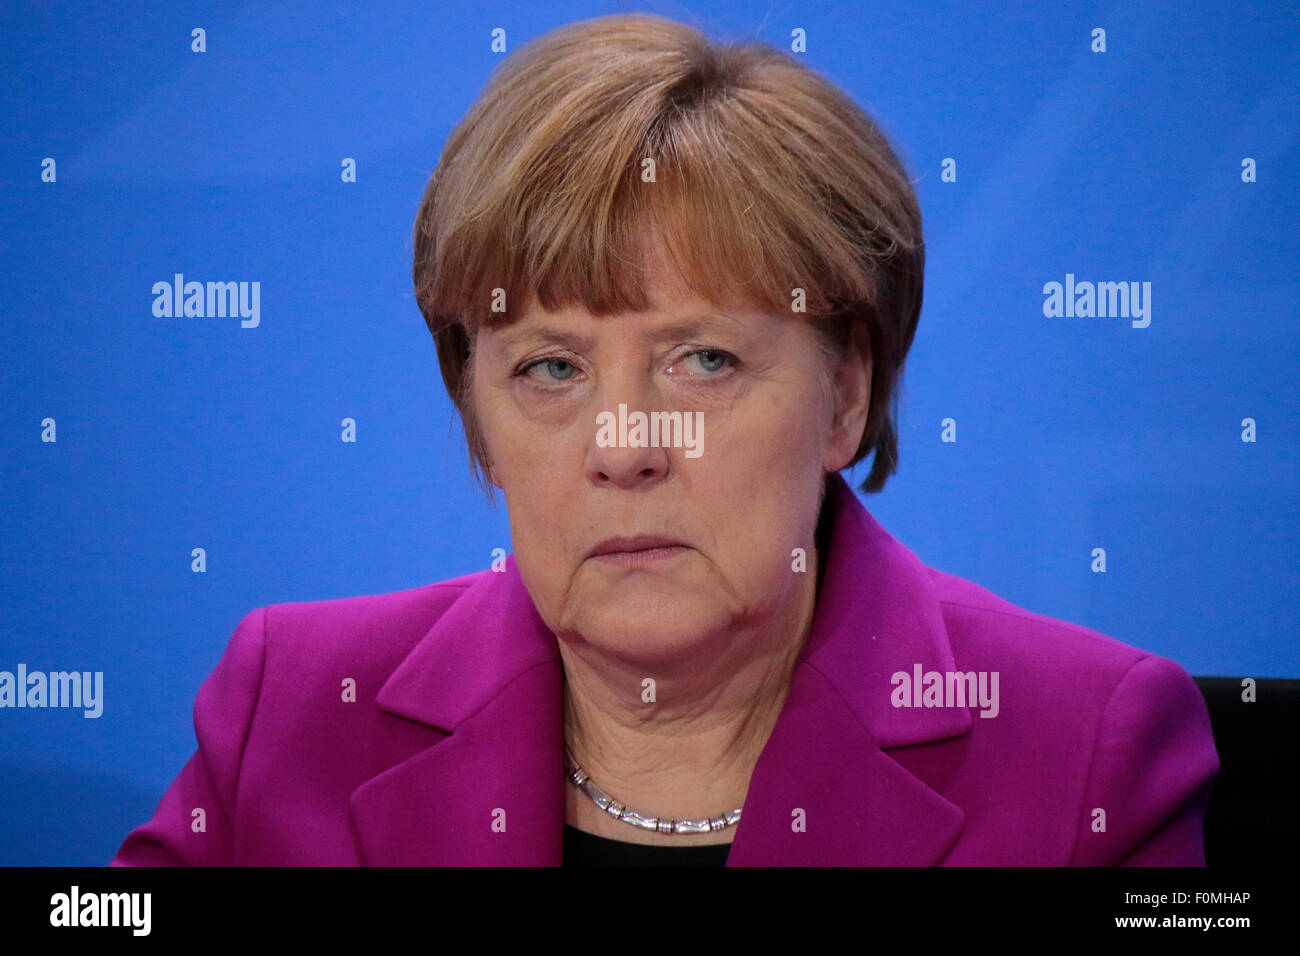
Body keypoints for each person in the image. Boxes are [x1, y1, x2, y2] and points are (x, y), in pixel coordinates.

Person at [111, 12, 1218, 866]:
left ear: (844, 395)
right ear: (478, 421)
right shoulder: (293, 708)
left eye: (704, 361)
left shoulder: (1085, 750)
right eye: (550, 367)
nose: (624, 444)